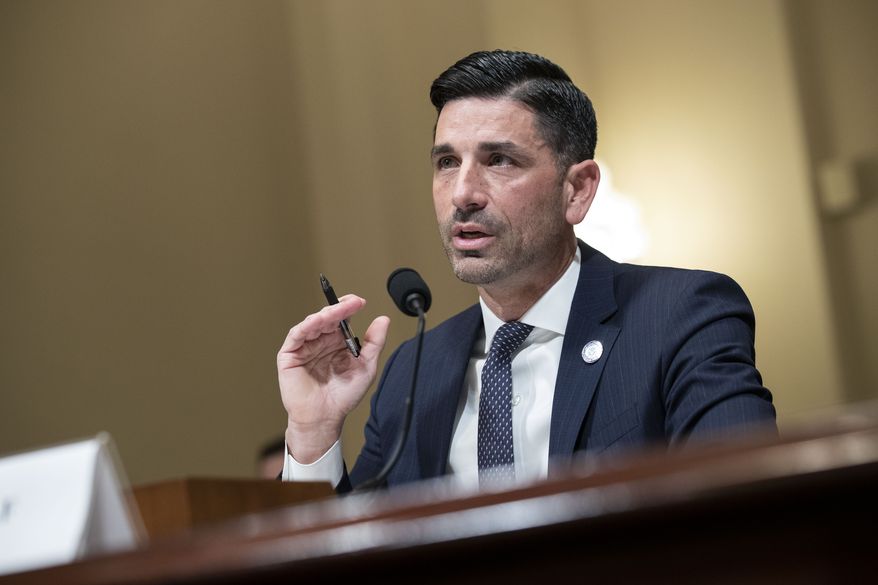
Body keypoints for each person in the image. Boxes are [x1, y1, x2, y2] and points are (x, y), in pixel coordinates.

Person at [276, 50, 776, 493]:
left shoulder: (681, 315)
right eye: (447, 162)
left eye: (499, 160)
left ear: (576, 190)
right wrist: (313, 432)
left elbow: (745, 508)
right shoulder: (416, 369)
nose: (463, 193)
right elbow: (348, 555)